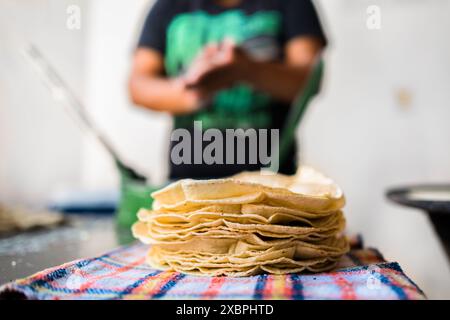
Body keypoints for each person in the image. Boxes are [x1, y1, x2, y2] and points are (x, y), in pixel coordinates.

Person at [129, 0, 327, 180]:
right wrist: (193, 89)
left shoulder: (292, 4)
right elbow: (138, 85)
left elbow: (310, 81)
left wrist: (246, 69)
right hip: (186, 189)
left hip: (274, 187)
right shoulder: (169, 6)